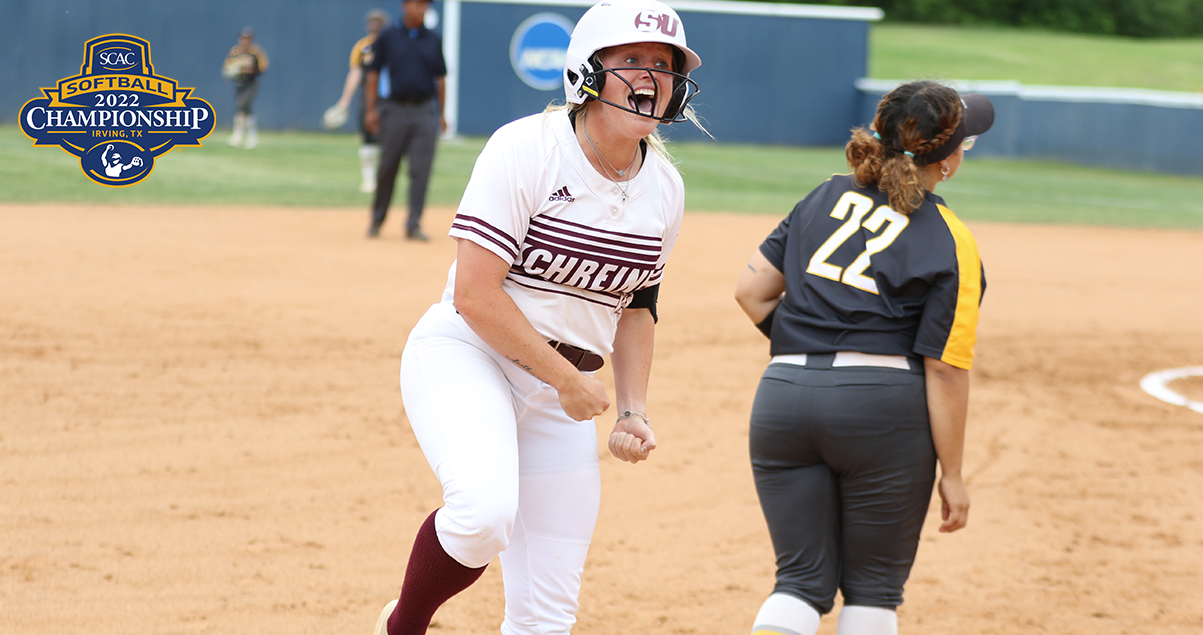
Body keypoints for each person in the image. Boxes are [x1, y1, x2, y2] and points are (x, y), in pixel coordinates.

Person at [370, 1, 703, 633]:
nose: (650, 76)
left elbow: (639, 305)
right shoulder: (527, 147)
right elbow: (475, 293)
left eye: (664, 64)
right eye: (631, 60)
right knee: (482, 515)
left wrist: (632, 406)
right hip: (471, 355)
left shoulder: (665, 186)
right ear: (586, 71)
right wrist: (568, 380)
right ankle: (404, 625)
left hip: (560, 396)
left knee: (549, 615)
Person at [733, 80, 994, 635]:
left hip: (782, 401)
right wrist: (954, 473)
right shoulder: (952, 237)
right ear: (945, 162)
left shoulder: (822, 195)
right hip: (881, 413)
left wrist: (809, 345)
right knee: (873, 593)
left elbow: (750, 292)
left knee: (799, 584)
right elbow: (945, 368)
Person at [363, 0, 447, 241]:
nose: (421, 9)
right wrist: (371, 110)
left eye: (425, 5)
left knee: (421, 170)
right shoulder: (388, 35)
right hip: (394, 109)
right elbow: (373, 74)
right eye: (417, 4)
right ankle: (377, 219)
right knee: (388, 166)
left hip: (423, 111)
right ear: (405, 6)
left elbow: (440, 78)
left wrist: (441, 113)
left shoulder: (432, 38)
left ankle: (414, 224)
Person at [328, 9, 389, 193]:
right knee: (368, 137)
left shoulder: (391, 45)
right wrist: (344, 100)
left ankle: (384, 180)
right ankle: (369, 180)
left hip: (388, 98)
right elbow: (355, 73)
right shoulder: (363, 47)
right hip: (368, 97)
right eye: (372, 23)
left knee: (388, 140)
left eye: (378, 23)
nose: (375, 26)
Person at [222, 27, 269, 149]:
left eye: (248, 38)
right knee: (247, 110)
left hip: (251, 84)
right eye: (243, 38)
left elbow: (263, 67)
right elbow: (227, 67)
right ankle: (252, 137)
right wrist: (233, 71)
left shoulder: (256, 51)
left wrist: (250, 69)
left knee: (241, 107)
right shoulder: (235, 51)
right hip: (239, 83)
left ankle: (237, 136)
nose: (245, 41)